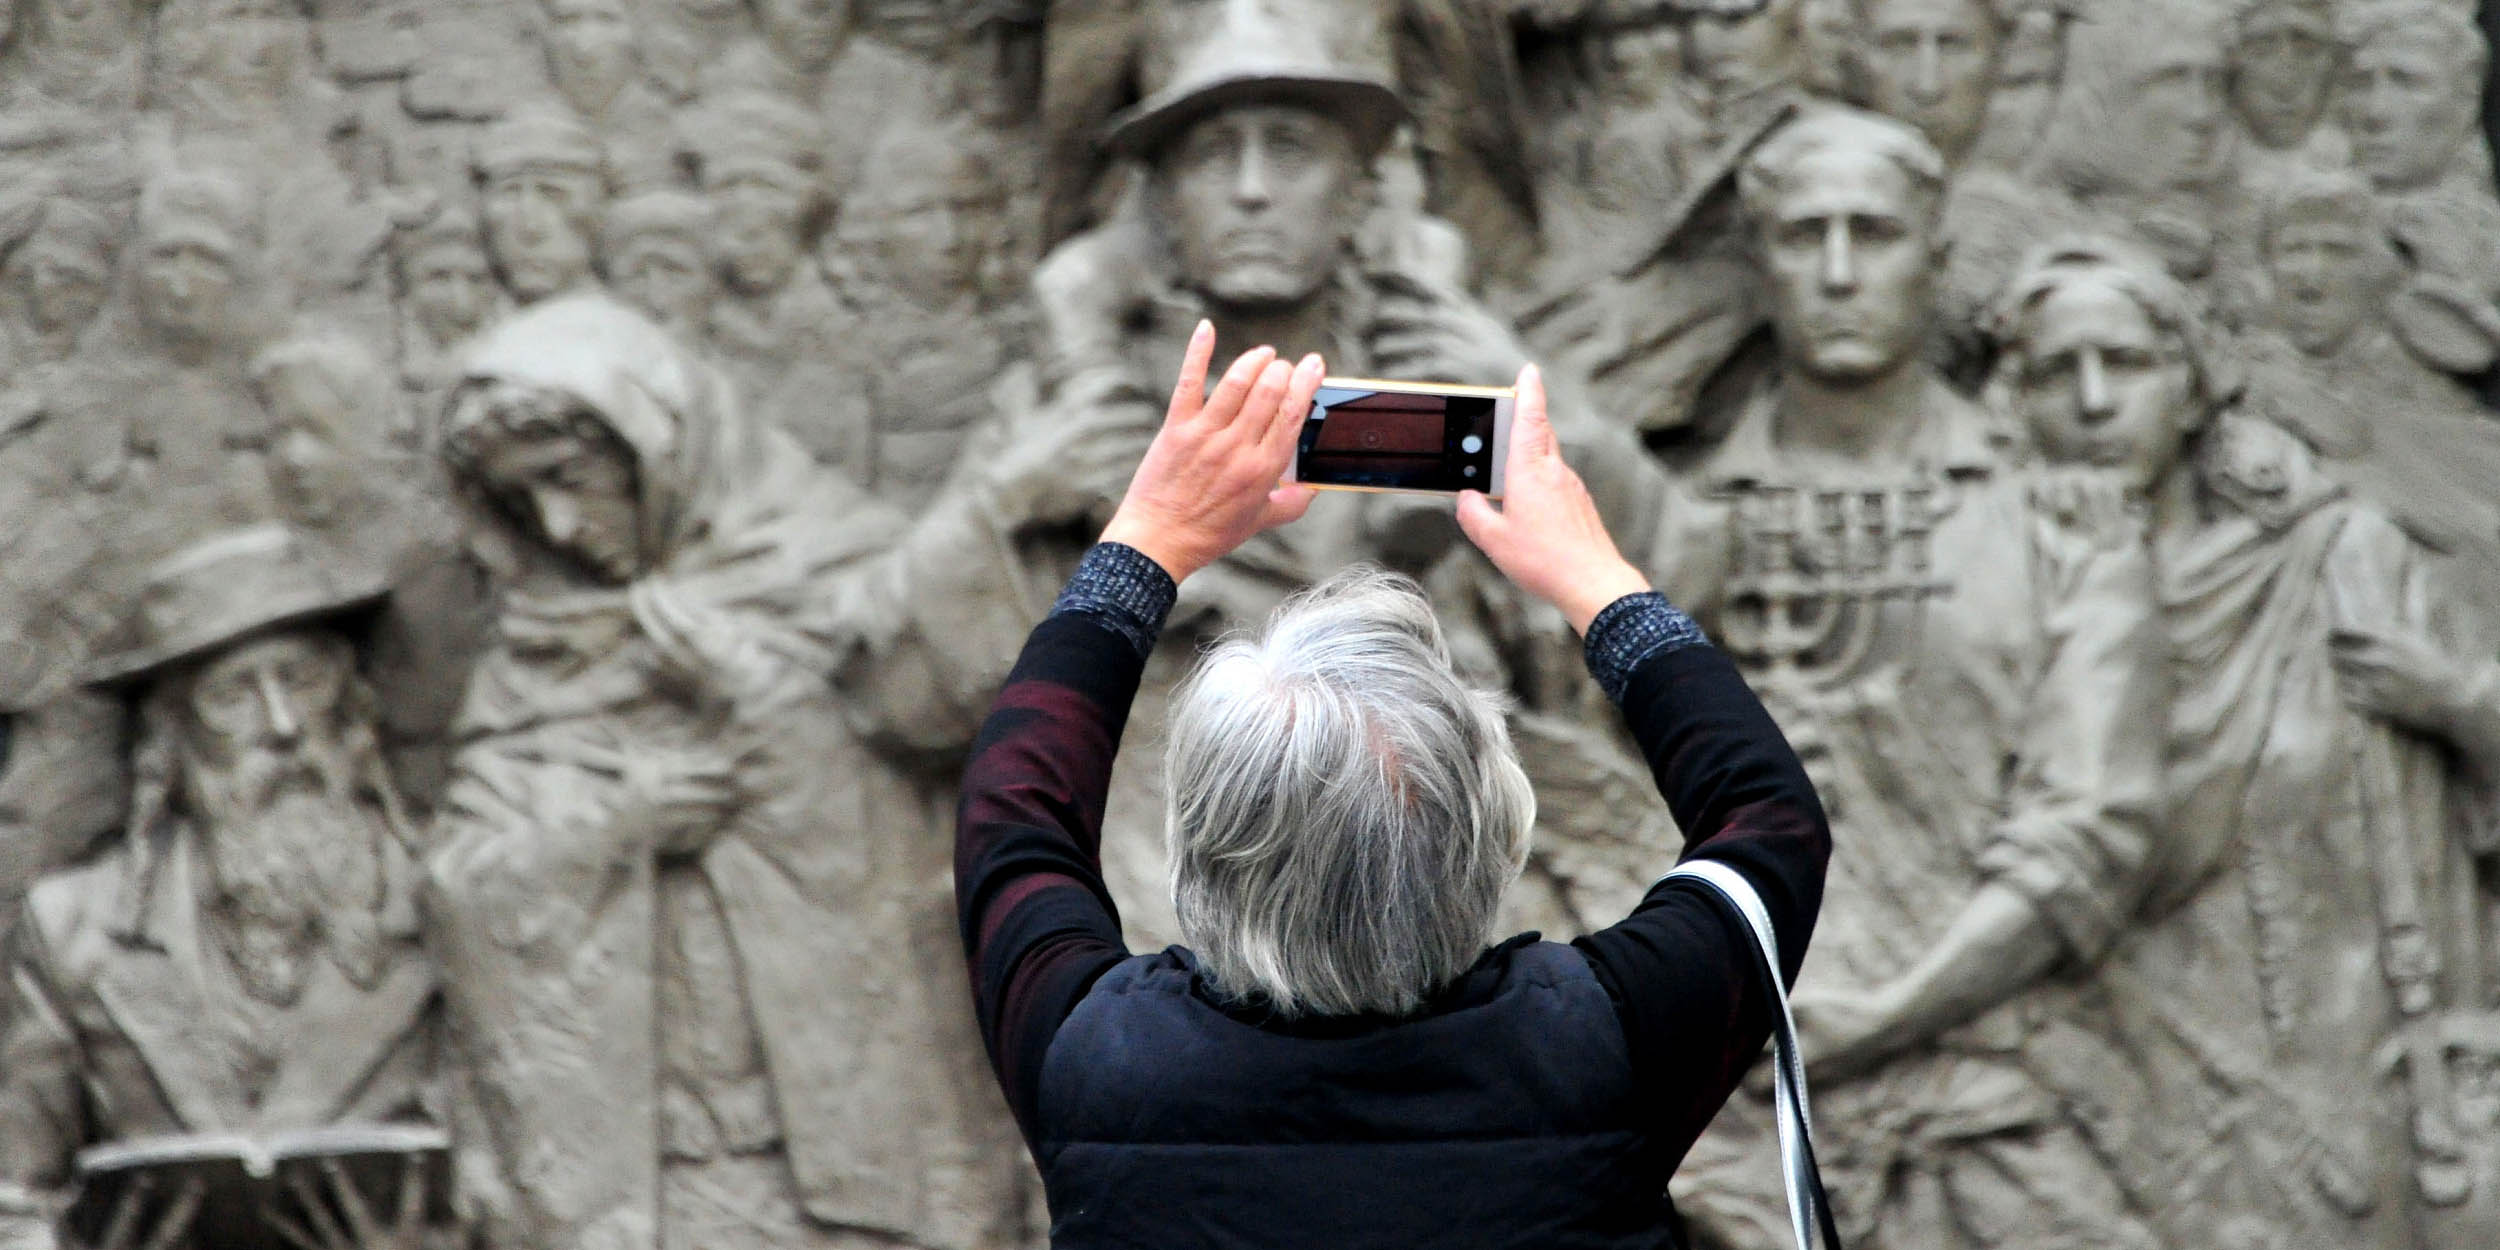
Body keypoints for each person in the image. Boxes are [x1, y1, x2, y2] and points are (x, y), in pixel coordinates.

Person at [955, 325, 1831, 1245]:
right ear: (1493, 833)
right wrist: (1592, 576)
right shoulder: (1601, 1043)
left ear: (1201, 849)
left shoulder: (1093, 1065)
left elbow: (1013, 817)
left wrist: (1151, 538)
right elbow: (1769, 821)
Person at [1567, 106, 2167, 1250]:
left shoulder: (2062, 520)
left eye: (1874, 235)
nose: (1839, 272)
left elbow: (2087, 833)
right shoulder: (1685, 521)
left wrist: (1877, 1020)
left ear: (1935, 260)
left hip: (2001, 1093)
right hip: (1721, 1126)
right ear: (1760, 263)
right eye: (1805, 236)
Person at [425, 295, 1113, 1250]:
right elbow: (464, 886)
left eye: (567, 476)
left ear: (651, 443)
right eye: (519, 500)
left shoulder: (825, 570)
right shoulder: (532, 662)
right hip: (667, 1164)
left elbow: (931, 738)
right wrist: (618, 826)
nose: (558, 521)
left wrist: (756, 694)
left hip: (867, 1120)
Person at [0, 524, 449, 1250]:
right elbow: (12, 1202)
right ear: (171, 742)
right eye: (233, 694)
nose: (282, 727)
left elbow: (552, 1175)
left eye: (302, 681)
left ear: (351, 703)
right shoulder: (74, 927)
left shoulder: (444, 900)